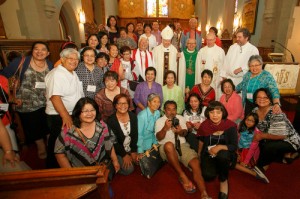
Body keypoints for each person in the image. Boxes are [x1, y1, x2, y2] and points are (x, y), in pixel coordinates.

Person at [1, 41, 54, 159]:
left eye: (43, 49)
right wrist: (11, 98)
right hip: (26, 105)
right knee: (34, 131)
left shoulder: (50, 65)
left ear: (48, 53)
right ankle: (41, 150)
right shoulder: (21, 62)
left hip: (46, 104)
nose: (39, 52)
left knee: (47, 128)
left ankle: (51, 151)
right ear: (32, 50)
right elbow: (2, 77)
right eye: (36, 49)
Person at [155, 101, 211, 199]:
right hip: (166, 148)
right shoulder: (160, 121)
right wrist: (165, 128)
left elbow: (185, 133)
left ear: (176, 110)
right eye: (169, 109)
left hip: (182, 145)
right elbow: (159, 138)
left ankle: (204, 193)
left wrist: (180, 131)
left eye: (174, 109)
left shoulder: (180, 118)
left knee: (195, 163)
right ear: (164, 110)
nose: (172, 112)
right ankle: (182, 175)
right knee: (168, 145)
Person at [54, 97, 120, 179]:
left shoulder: (102, 125)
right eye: (85, 111)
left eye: (92, 110)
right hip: (80, 174)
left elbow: (109, 143)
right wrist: (71, 174)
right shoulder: (68, 131)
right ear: (78, 112)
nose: (90, 114)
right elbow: (59, 154)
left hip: (102, 169)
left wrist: (115, 161)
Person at [45, 48, 84, 168]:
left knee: (67, 142)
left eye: (76, 59)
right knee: (57, 143)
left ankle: (67, 165)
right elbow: (55, 97)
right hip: (59, 116)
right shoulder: (57, 74)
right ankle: (53, 169)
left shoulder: (72, 72)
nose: (74, 61)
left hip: (72, 113)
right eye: (70, 58)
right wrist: (65, 116)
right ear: (62, 59)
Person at [252, 88, 300, 171]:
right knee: (259, 142)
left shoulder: (275, 112)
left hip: (289, 140)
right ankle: (280, 157)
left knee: (268, 147)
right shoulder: (255, 111)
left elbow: (282, 135)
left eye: (265, 97)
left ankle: (261, 167)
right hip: (271, 136)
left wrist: (262, 136)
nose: (262, 100)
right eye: (259, 97)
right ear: (255, 100)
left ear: (270, 100)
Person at [197, 101, 238, 199]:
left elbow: (234, 146)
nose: (215, 115)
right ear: (208, 113)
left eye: (218, 112)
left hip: (225, 153)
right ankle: (219, 166)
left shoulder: (230, 126)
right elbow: (201, 142)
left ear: (223, 113)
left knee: (222, 156)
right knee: (208, 176)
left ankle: (223, 180)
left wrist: (219, 147)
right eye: (212, 112)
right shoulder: (204, 125)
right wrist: (199, 155)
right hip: (209, 153)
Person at [234, 112, 270, 183]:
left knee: (240, 164)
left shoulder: (256, 133)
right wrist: (236, 152)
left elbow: (252, 150)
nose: (248, 122)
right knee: (232, 160)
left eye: (252, 121)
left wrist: (245, 162)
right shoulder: (240, 127)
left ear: (255, 122)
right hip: (240, 149)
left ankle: (255, 173)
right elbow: (236, 140)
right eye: (247, 119)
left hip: (249, 152)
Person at [107, 94, 138, 175]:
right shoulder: (111, 121)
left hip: (130, 147)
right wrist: (124, 155)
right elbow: (113, 142)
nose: (122, 106)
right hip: (119, 150)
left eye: (125, 103)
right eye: (119, 103)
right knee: (129, 170)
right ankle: (113, 164)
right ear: (115, 105)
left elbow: (135, 136)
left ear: (128, 105)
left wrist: (134, 151)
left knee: (140, 160)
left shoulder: (133, 117)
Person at [196, 33, 225, 100]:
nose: (208, 42)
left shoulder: (220, 51)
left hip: (215, 78)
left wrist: (221, 78)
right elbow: (198, 66)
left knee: (214, 96)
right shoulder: (202, 51)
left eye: (211, 40)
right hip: (204, 78)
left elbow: (224, 65)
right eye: (207, 40)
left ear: (215, 39)